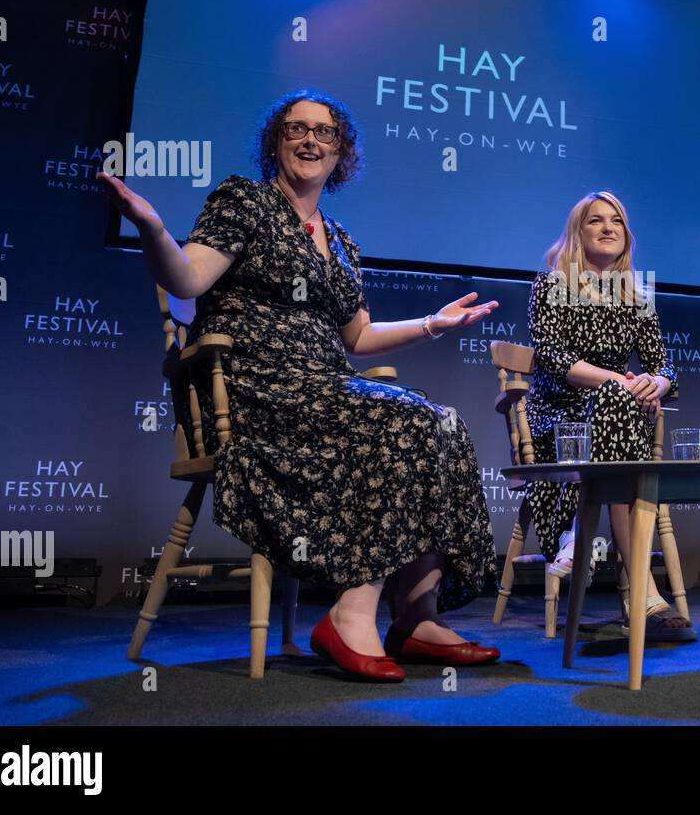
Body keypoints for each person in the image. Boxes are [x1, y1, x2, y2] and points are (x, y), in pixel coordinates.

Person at [98, 88, 501, 682]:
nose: (311, 141)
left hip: (323, 389)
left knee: (439, 420)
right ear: (276, 142)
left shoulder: (340, 242)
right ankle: (350, 614)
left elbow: (357, 338)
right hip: (256, 393)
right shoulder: (246, 203)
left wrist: (432, 325)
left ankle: (415, 617)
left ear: (342, 154)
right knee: (403, 420)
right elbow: (186, 279)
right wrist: (155, 230)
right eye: (296, 130)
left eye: (325, 133)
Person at [524, 191, 695, 641]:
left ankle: (602, 547)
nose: (607, 227)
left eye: (616, 220)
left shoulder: (636, 298)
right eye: (595, 220)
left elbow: (665, 366)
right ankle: (644, 593)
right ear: (577, 233)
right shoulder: (553, 286)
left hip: (617, 423)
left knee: (621, 403)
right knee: (619, 399)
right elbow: (554, 358)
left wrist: (655, 383)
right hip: (562, 424)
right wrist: (620, 381)